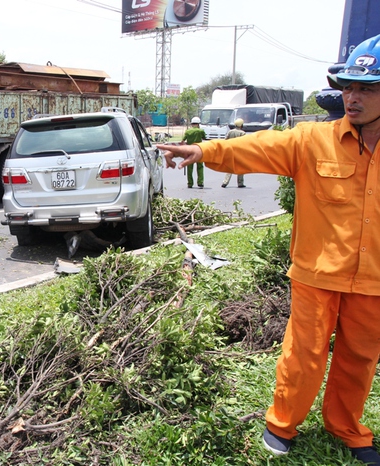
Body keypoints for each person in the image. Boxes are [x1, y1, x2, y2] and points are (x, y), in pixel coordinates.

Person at [156, 33, 380, 465]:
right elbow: (254, 148)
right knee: (304, 355)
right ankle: (281, 423)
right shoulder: (312, 140)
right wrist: (201, 149)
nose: (352, 97)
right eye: (348, 86)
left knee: (360, 358)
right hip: (317, 274)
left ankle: (347, 427)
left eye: (366, 88)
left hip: (373, 281)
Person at [182, 116, 207, 188]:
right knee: (200, 167)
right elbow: (204, 138)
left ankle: (190, 183)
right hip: (199, 150)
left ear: (192, 124)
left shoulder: (188, 131)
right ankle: (200, 182)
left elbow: (183, 141)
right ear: (198, 124)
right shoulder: (201, 131)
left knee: (190, 168)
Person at [221, 118, 246, 188]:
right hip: (239, 152)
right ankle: (240, 183)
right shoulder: (243, 133)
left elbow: (225, 140)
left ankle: (225, 182)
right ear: (241, 125)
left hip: (231, 151)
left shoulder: (230, 132)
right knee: (241, 168)